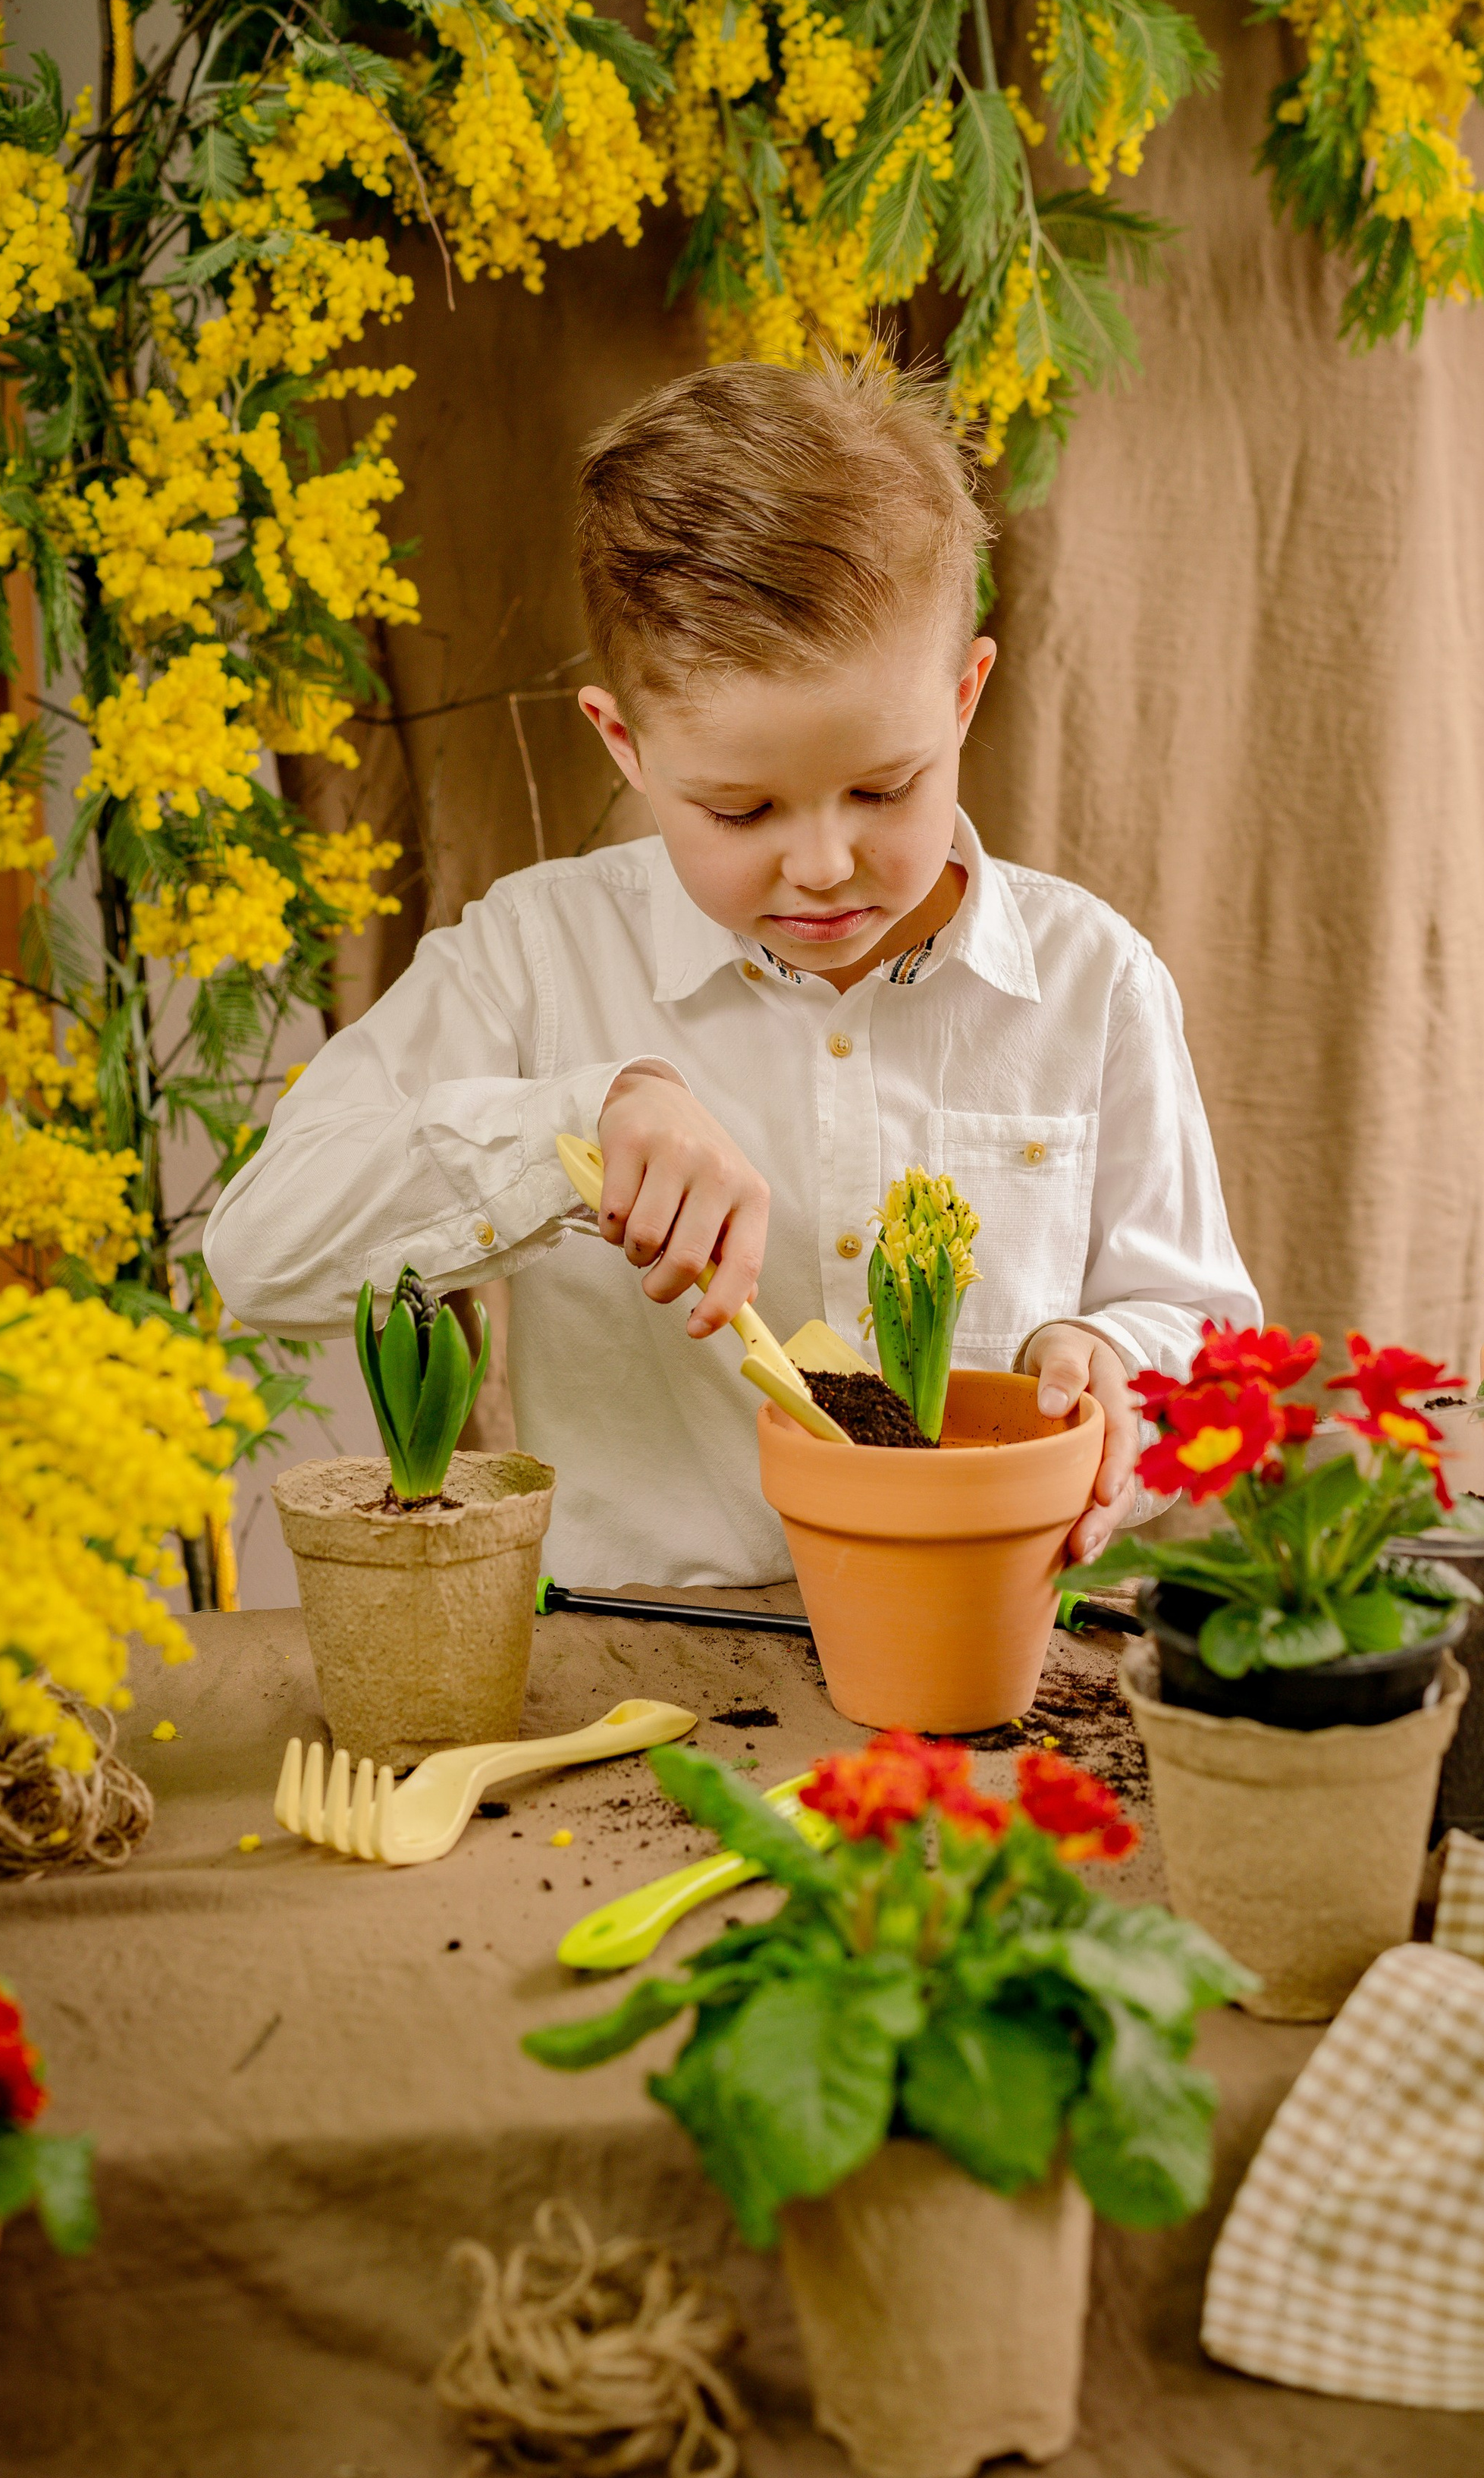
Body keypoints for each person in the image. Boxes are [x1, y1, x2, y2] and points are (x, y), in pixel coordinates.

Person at [205, 352, 1260, 1592]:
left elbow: (1202, 1339)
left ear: (966, 696)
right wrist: (572, 1125)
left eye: (884, 788)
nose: (821, 865)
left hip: (991, 1650)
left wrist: (1119, 1366)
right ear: (626, 744)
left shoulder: (1095, 981)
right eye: (740, 809)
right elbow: (259, 1255)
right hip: (638, 1660)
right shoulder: (538, 957)